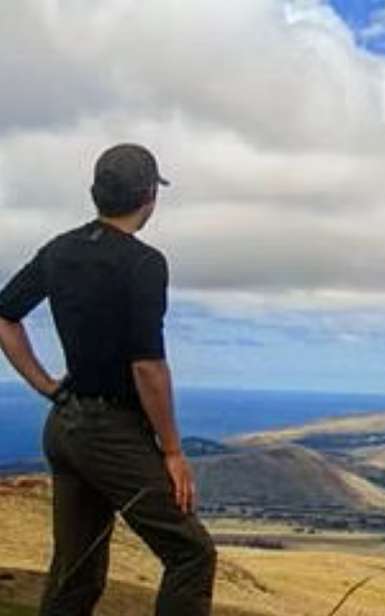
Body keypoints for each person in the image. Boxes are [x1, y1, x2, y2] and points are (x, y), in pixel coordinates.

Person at [0, 144, 216, 615]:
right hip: (111, 432)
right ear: (148, 197)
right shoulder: (143, 263)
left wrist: (46, 386)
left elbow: (5, 316)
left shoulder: (59, 250)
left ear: (96, 193)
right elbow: (147, 366)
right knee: (192, 553)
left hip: (65, 424)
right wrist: (173, 451)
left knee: (76, 571)